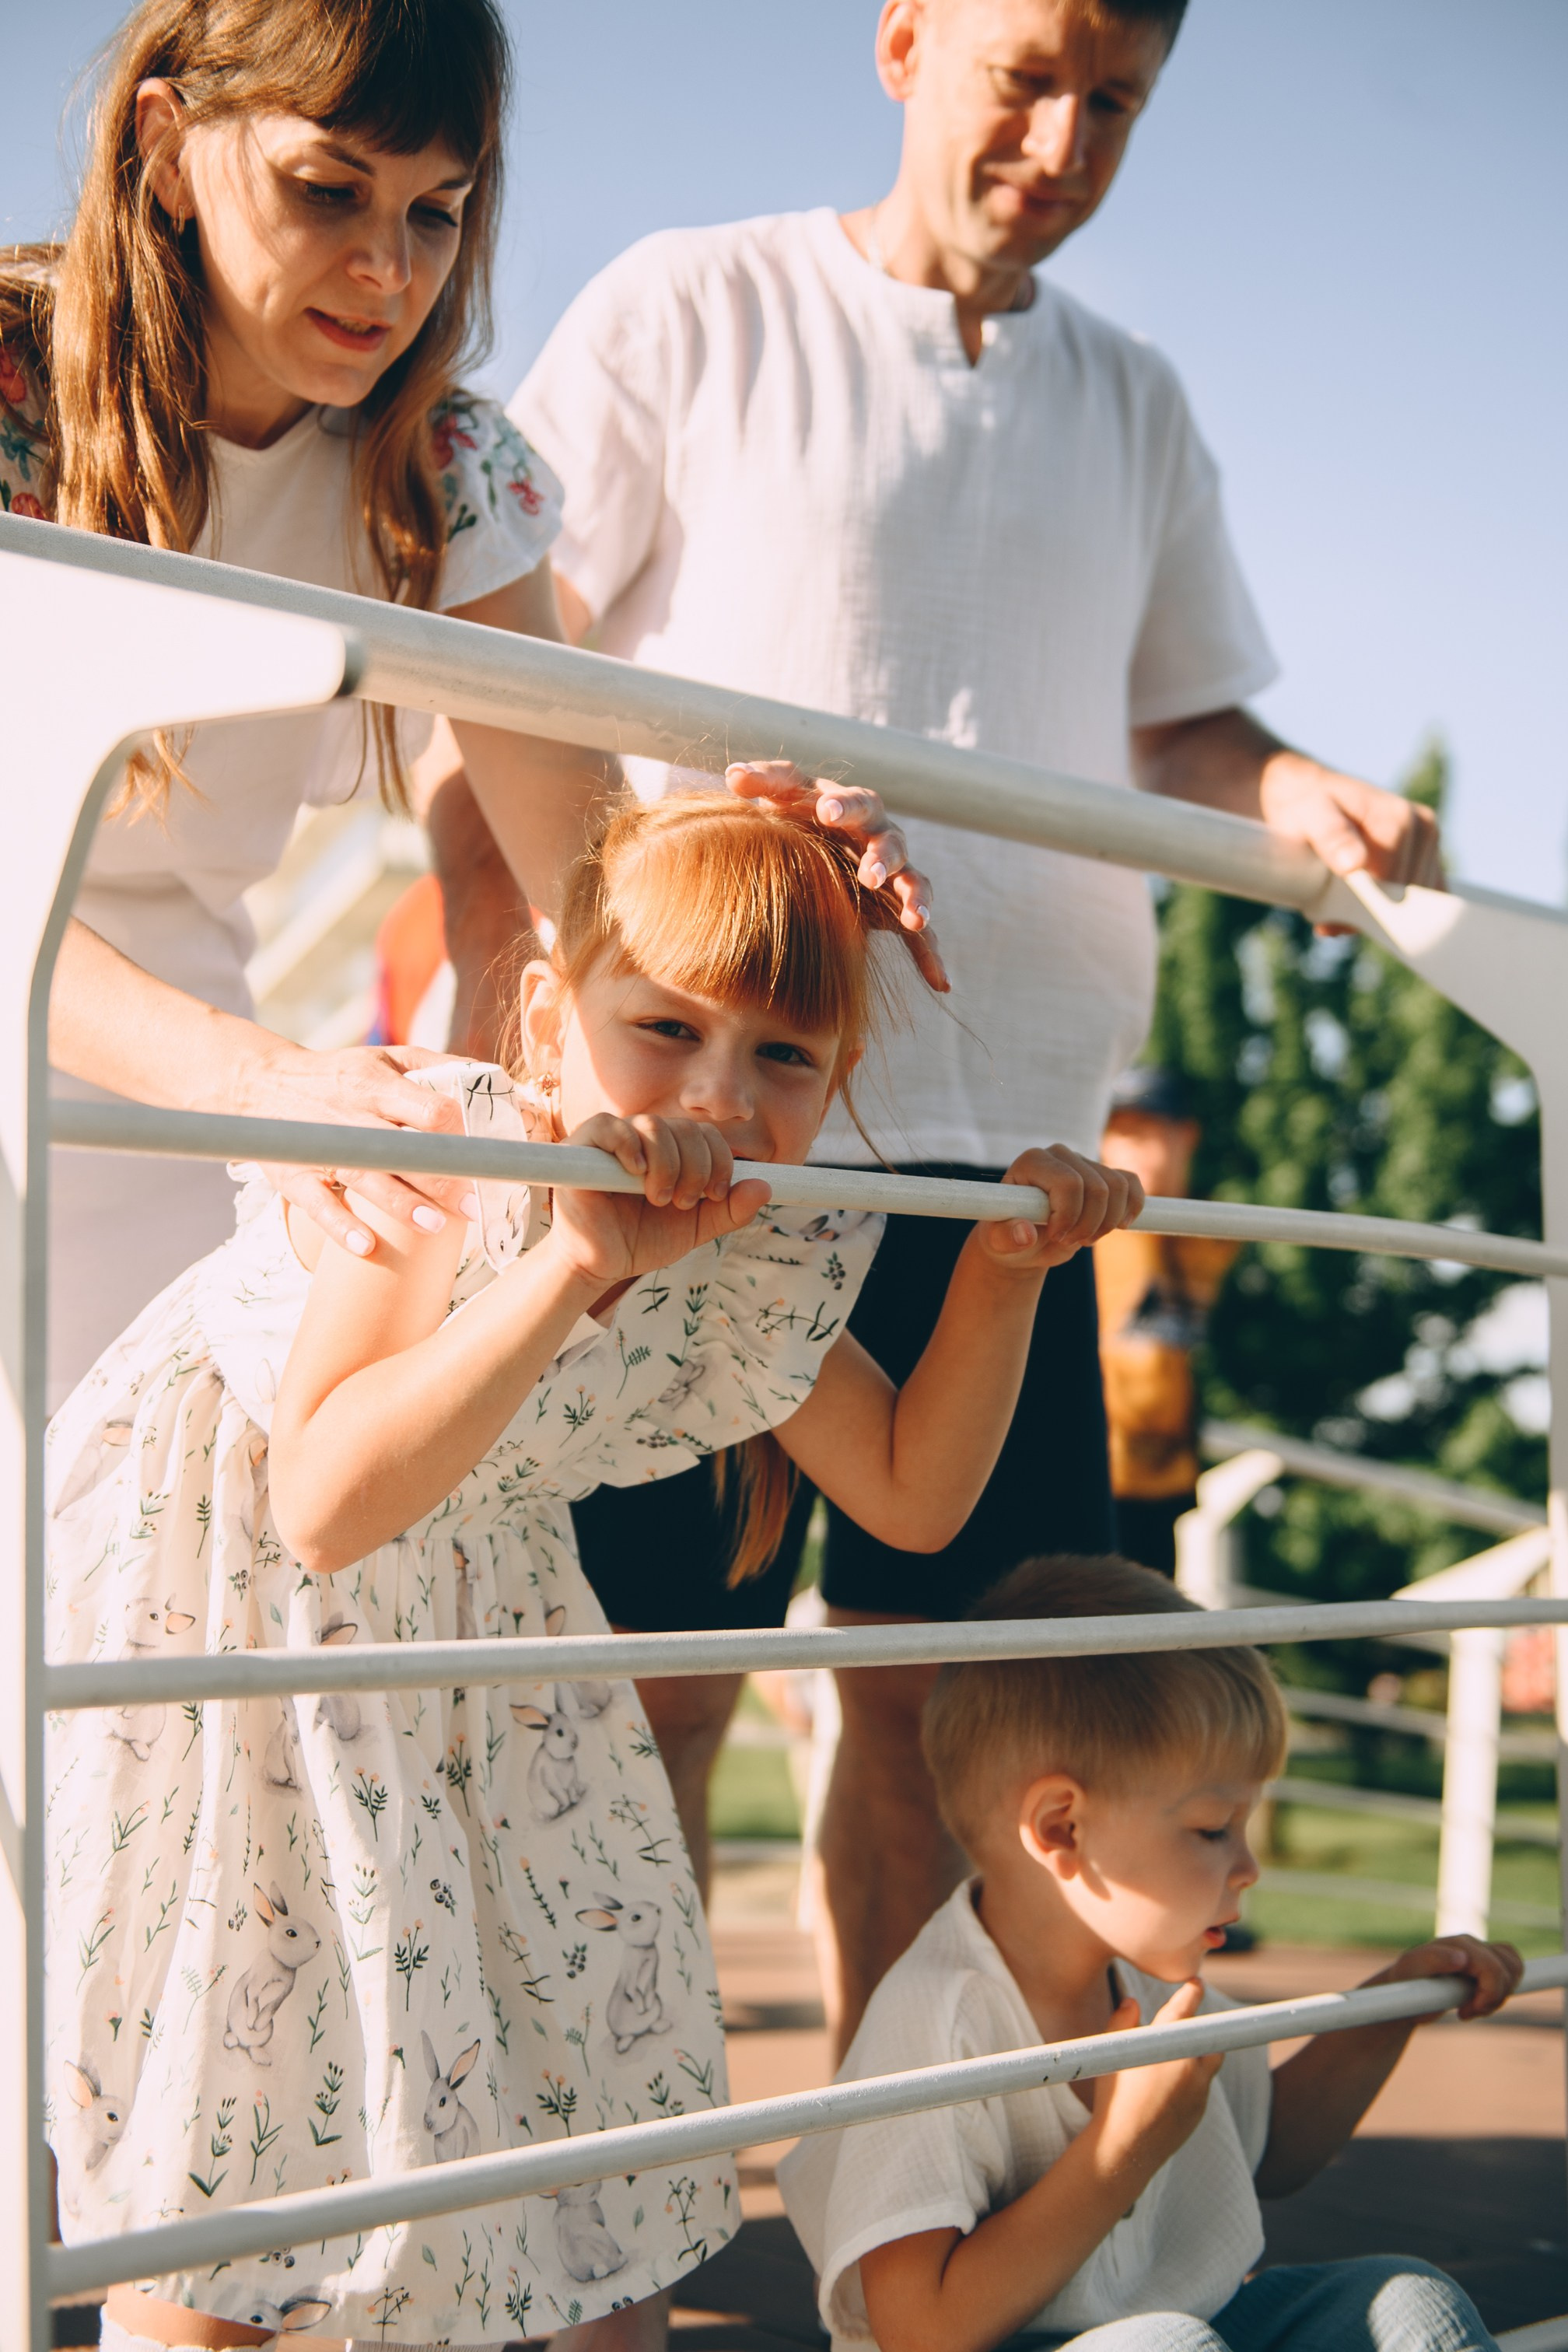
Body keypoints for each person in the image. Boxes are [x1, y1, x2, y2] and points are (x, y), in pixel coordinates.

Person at [447, 0, 1447, 2049]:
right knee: (654, 1683)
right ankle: (598, 2195)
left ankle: (888, 2234)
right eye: (1032, 74)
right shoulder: (686, 307)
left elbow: (1188, 719)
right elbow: (491, 669)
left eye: (1122, 101)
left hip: (1013, 1168)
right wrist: (505, 1021)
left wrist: (1297, 790)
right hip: (716, 1139)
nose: (1069, 136)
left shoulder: (1134, 399)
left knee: (950, 1733)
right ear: (906, 39)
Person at [47, 793, 1141, 2352]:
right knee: (264, 2042)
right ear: (556, 1020)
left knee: (582, 2019)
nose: (717, 1094)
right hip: (254, 1610)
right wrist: (571, 1264)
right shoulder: (440, 1151)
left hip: (489, 1605)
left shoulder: (753, 1248)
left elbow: (911, 1491)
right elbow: (324, 1500)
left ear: (839, 1086)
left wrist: (1002, 1282)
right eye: (666, 1028)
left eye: (783, 1059)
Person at [0, 0, 926, 1409]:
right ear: (169, 146)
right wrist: (265, 1085)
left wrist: (763, 859)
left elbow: (587, 867)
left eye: (439, 212)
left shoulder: (439, 464)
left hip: (201, 1130)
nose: (386, 270)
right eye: (329, 190)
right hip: (198, 1080)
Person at [779, 1555, 1521, 2352]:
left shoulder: (1144, 1970)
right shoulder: (938, 2018)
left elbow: (1269, 2151)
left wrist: (1389, 2009)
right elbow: (918, 2332)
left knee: (1409, 2306)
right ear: (1063, 1828)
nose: (1248, 1866)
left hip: (1190, 2326)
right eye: (1211, 1829)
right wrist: (1120, 2151)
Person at [1097, 1067, 1236, 1577]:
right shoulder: (1089, 1236)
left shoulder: (1207, 1235)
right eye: (1119, 1133)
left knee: (1147, 1638)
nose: (1132, 1150)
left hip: (1165, 1477)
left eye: (1148, 1132)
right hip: (1092, 1475)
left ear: (1186, 1137)